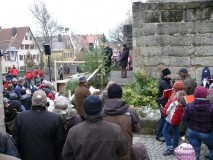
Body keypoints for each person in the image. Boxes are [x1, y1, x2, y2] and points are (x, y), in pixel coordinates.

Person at [62, 95, 128, 160]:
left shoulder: (74, 131)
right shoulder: (115, 129)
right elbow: (123, 151)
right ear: (102, 109)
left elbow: (66, 156)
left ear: (84, 110)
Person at [13, 90, 65, 160]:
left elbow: (16, 140)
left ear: (32, 101)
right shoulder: (54, 118)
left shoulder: (21, 117)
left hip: (27, 156)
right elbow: (59, 141)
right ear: (46, 102)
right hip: (48, 156)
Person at [102, 83, 142, 160]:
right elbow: (138, 128)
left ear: (108, 95)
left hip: (106, 153)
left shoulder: (101, 112)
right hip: (125, 153)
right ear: (121, 95)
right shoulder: (130, 111)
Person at [182, 86, 213, 160]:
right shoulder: (211, 108)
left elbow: (184, 119)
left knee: (195, 151)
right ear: (206, 95)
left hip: (193, 131)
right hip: (207, 133)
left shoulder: (189, 106)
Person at [162, 81, 187, 156]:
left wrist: (164, 113)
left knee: (165, 131)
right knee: (176, 131)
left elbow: (167, 109)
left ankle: (170, 148)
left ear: (175, 89)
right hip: (179, 118)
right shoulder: (184, 96)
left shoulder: (173, 98)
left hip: (171, 119)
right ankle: (175, 146)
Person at [156, 68, 172, 142]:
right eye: (169, 74)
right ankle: (159, 135)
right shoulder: (163, 82)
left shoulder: (166, 81)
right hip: (162, 102)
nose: (170, 75)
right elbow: (169, 90)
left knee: (164, 118)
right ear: (165, 75)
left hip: (164, 102)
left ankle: (163, 133)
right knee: (163, 118)